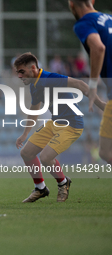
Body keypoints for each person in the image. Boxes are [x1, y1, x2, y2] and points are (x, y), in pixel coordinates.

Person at [14, 52, 105, 203]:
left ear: (33, 68)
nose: (19, 75)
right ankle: (40, 188)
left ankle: (63, 183)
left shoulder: (50, 78)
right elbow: (34, 108)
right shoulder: (34, 85)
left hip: (71, 125)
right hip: (54, 122)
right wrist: (25, 134)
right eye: (17, 72)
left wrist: (101, 105)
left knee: (45, 157)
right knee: (26, 153)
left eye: (21, 71)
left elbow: (80, 85)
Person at [69, 0, 112, 165]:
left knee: (105, 152)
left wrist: (93, 85)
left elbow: (98, 48)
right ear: (92, 1)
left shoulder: (84, 23)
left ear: (72, 5)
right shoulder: (109, 18)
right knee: (104, 151)